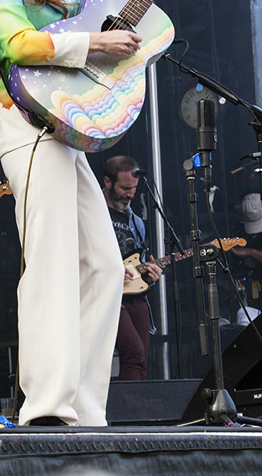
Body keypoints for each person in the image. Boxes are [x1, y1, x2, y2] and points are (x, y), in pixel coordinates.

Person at [0, 0, 214, 426]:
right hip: (28, 128)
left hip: (64, 134)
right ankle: (47, 406)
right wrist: (94, 43)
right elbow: (15, 42)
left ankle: (83, 407)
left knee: (103, 265)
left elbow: (119, 0)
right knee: (50, 262)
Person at [102, 156, 162, 381]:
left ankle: (134, 411)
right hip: (106, 295)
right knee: (134, 352)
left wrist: (151, 275)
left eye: (134, 189)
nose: (130, 194)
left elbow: (139, 263)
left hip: (134, 296)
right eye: (125, 188)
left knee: (141, 359)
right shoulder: (92, 213)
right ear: (108, 182)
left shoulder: (136, 222)